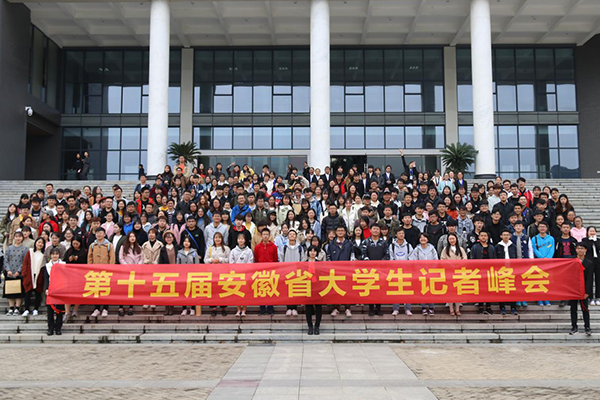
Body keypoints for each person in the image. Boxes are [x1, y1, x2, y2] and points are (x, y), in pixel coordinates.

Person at [360, 224, 389, 316]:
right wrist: (369, 263)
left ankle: (379, 308)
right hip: (369, 270)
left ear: (380, 231)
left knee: (380, 289)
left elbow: (387, 254)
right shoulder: (365, 242)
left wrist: (381, 263)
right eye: (374, 229)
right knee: (371, 288)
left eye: (377, 229)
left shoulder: (383, 242)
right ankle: (371, 308)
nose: (375, 231)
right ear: (371, 230)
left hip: (381, 269)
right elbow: (363, 254)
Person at [327, 225, 354, 317]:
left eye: (342, 230)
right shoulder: (332, 244)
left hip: (346, 271)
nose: (340, 232)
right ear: (336, 232)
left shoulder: (349, 243)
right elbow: (328, 257)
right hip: (335, 271)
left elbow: (352, 256)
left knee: (347, 289)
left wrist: (351, 267)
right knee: (335, 290)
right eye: (338, 231)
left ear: (345, 232)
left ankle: (347, 308)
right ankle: (336, 308)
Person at [88, 227, 115, 317]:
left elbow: (112, 258)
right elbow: (90, 258)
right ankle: (96, 308)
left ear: (104, 234)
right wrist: (90, 269)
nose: (99, 235)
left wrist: (111, 269)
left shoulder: (109, 245)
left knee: (105, 290)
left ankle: (105, 308)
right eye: (97, 233)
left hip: (106, 272)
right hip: (95, 272)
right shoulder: (92, 245)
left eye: (100, 233)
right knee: (96, 290)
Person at [409, 233, 438, 316]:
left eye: (424, 237)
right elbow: (414, 261)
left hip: (431, 272)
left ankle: (431, 307)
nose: (423, 239)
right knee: (422, 290)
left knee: (431, 290)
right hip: (420, 273)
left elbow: (436, 260)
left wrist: (431, 270)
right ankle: (423, 307)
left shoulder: (432, 248)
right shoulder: (417, 249)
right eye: (421, 238)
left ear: (427, 239)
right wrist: (422, 270)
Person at [440, 233, 467, 316]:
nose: (452, 240)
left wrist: (459, 265)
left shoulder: (461, 249)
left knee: (458, 291)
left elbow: (465, 259)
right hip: (449, 273)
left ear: (456, 239)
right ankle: (451, 309)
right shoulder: (445, 249)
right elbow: (442, 260)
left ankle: (457, 309)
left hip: (459, 272)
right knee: (450, 291)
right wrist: (450, 265)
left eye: (453, 238)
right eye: (450, 239)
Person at [279, 229, 305, 316]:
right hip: (287, 272)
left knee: (295, 290)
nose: (292, 235)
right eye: (290, 234)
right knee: (287, 291)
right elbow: (281, 259)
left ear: (296, 236)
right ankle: (288, 308)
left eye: (294, 234)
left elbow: (303, 260)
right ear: (288, 236)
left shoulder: (300, 248)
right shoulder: (284, 247)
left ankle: (295, 308)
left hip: (297, 273)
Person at [570, 243, 593, 336]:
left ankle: (587, 327)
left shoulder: (589, 263)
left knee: (585, 309)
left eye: (582, 248)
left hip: (583, 289)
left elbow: (590, 279)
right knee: (573, 309)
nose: (580, 250)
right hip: (573, 289)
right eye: (578, 248)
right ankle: (574, 327)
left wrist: (587, 292)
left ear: (585, 250)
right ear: (576, 250)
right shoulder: (571, 261)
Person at [470, 230, 496, 314]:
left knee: (489, 289)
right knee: (480, 289)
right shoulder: (475, 247)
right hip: (479, 271)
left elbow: (495, 259)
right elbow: (472, 258)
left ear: (487, 237)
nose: (483, 237)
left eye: (485, 236)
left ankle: (488, 306)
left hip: (489, 271)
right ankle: (480, 306)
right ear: (479, 237)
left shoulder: (491, 247)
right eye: (482, 236)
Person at [389, 228, 413, 316]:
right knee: (396, 290)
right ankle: (396, 308)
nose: (401, 235)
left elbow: (411, 258)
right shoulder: (392, 246)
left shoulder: (408, 245)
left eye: (402, 233)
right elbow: (391, 258)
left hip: (406, 271)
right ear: (396, 235)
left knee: (407, 290)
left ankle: (407, 308)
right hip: (395, 271)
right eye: (399, 233)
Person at [254, 228, 278, 316]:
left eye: (267, 234)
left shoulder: (274, 247)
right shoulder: (257, 247)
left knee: (270, 290)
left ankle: (270, 309)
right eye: (264, 234)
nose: (265, 236)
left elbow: (275, 259)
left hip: (271, 272)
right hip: (260, 272)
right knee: (261, 290)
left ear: (269, 236)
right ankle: (262, 309)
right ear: (261, 235)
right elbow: (256, 259)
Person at [118, 231, 143, 316]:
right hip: (126, 270)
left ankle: (130, 307)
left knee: (132, 290)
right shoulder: (123, 247)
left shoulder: (139, 247)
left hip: (135, 271)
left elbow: (141, 259)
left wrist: (137, 266)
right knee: (123, 289)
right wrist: (127, 266)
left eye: (133, 236)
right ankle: (121, 307)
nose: (132, 238)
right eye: (130, 236)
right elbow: (121, 258)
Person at [229, 233, 254, 317]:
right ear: (237, 240)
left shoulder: (249, 251)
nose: (241, 240)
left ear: (245, 240)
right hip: (236, 275)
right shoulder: (233, 251)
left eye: (242, 239)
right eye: (239, 239)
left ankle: (244, 309)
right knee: (236, 292)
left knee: (244, 292)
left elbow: (250, 262)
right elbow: (231, 262)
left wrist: (244, 269)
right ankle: (238, 309)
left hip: (245, 274)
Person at [495, 229, 519, 315]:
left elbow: (516, 257)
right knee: (501, 289)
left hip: (511, 270)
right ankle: (502, 307)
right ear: (501, 236)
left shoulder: (513, 246)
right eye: (504, 235)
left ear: (510, 236)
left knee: (512, 289)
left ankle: (513, 307)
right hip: (501, 271)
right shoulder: (497, 246)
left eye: (507, 235)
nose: (506, 236)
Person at [3, 231, 28, 315]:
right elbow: (6, 260)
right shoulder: (9, 248)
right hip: (10, 272)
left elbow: (24, 261)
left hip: (19, 273)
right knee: (10, 290)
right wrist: (8, 270)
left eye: (20, 236)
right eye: (16, 236)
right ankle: (11, 308)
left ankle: (17, 308)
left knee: (18, 291)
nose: (18, 238)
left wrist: (18, 271)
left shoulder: (25, 249)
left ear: (22, 238)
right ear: (14, 238)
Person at [20, 237, 46, 317]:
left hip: (39, 275)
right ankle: (26, 309)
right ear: (35, 243)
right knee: (28, 293)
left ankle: (36, 309)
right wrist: (24, 274)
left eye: (42, 243)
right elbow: (25, 263)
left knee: (38, 293)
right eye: (39, 242)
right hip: (29, 274)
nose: (40, 244)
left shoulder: (44, 254)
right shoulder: (30, 252)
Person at [532, 221, 555, 306]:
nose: (542, 228)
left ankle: (547, 298)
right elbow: (534, 249)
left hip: (548, 262)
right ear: (538, 228)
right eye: (540, 227)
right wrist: (542, 258)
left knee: (547, 280)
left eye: (544, 227)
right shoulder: (534, 238)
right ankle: (539, 299)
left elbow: (552, 249)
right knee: (538, 280)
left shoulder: (551, 238)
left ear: (546, 228)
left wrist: (547, 258)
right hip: (538, 262)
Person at [44, 248, 66, 335]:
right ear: (50, 255)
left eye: (56, 254)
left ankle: (58, 328)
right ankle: (50, 328)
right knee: (50, 310)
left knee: (59, 309)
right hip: (50, 288)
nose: (55, 256)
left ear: (59, 255)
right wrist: (46, 288)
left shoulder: (63, 264)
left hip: (60, 288)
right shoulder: (47, 266)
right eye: (53, 254)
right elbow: (46, 278)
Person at [177, 236, 200, 316]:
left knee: (192, 292)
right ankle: (184, 308)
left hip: (192, 275)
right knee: (183, 292)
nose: (186, 243)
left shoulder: (194, 252)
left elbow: (197, 264)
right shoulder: (180, 253)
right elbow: (178, 265)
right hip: (183, 275)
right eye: (185, 241)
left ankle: (192, 308)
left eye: (188, 241)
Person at [305, 245, 323, 335]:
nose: (312, 253)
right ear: (308, 252)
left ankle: (317, 326)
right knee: (308, 308)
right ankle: (310, 326)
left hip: (317, 288)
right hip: (307, 288)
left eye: (314, 251)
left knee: (318, 308)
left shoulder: (320, 263)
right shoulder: (304, 263)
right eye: (311, 251)